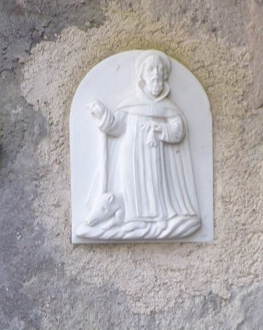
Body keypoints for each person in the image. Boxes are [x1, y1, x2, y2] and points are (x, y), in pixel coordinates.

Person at [78, 50, 201, 241]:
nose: (156, 74)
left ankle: (159, 219)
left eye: (160, 70)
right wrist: (102, 114)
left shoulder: (169, 108)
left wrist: (161, 128)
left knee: (156, 184)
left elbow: (178, 130)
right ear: (143, 75)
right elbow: (115, 126)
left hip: (156, 156)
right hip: (131, 155)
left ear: (165, 77)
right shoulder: (130, 104)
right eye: (151, 69)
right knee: (132, 185)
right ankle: (134, 219)